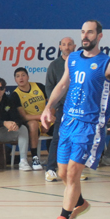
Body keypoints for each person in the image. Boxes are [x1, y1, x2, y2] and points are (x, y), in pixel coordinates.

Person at [41, 21, 110, 219]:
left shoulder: (108, 64)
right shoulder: (72, 59)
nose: (85, 36)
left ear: (99, 36)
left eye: (90, 32)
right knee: (62, 173)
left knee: (73, 173)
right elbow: (63, 85)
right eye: (83, 32)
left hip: (90, 126)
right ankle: (80, 203)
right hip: (68, 123)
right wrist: (48, 107)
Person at [44, 36, 76, 182]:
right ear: (59, 47)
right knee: (58, 137)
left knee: (76, 139)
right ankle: (50, 169)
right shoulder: (54, 65)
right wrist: (53, 106)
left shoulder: (79, 62)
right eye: (64, 44)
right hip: (62, 108)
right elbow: (50, 87)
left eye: (69, 44)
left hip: (77, 108)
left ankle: (73, 170)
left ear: (74, 46)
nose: (67, 47)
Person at [12, 66, 47, 171]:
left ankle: (64, 158)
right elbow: (24, 116)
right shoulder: (15, 94)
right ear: (15, 79)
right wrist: (41, 117)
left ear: (28, 77)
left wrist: (48, 120)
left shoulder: (39, 86)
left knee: (61, 122)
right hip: (33, 122)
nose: (21, 78)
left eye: (23, 75)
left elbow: (52, 103)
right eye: (18, 76)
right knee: (33, 124)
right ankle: (35, 157)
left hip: (46, 119)